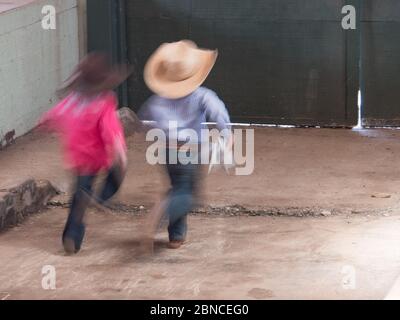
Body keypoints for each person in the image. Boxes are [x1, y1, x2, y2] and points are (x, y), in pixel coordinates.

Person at [139, 40, 232, 250]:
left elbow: (145, 119)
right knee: (189, 195)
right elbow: (218, 113)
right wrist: (226, 134)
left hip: (164, 151)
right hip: (189, 151)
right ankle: (165, 210)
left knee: (178, 188)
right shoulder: (202, 96)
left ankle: (176, 236)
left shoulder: (157, 100)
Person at [38, 53, 130, 254]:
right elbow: (110, 129)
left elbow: (53, 115)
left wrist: (44, 123)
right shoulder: (104, 103)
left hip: (77, 157)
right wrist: (120, 151)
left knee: (79, 194)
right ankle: (102, 198)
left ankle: (71, 237)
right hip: (97, 155)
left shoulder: (72, 101)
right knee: (117, 173)